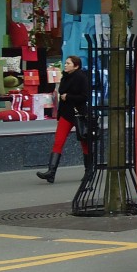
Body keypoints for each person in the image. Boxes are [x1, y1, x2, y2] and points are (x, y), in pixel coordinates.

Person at [36, 55, 91, 184]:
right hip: (66, 114)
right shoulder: (65, 76)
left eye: (68, 63)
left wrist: (68, 97)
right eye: (65, 63)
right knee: (58, 141)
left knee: (84, 142)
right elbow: (61, 95)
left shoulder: (81, 77)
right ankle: (51, 172)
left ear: (76, 66)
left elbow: (84, 96)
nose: (65, 65)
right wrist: (59, 114)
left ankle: (89, 171)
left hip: (79, 114)